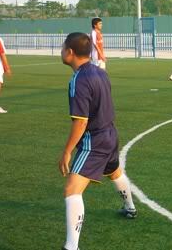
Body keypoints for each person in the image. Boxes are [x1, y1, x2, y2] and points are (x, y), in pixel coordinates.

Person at [59, 32, 137, 250]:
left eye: (63, 47)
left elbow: (81, 122)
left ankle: (71, 246)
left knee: (72, 190)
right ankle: (130, 207)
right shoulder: (99, 72)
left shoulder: (79, 80)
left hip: (95, 140)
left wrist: (67, 151)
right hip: (111, 133)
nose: (61, 51)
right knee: (114, 172)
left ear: (70, 52)